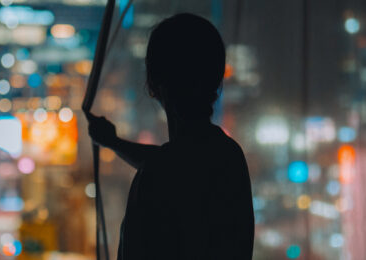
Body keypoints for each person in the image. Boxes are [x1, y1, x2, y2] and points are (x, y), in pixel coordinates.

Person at [86, 13, 254, 259]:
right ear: (217, 81)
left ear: (152, 84)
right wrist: (114, 142)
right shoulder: (229, 156)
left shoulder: (156, 178)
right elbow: (179, 163)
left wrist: (113, 143)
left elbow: (167, 165)